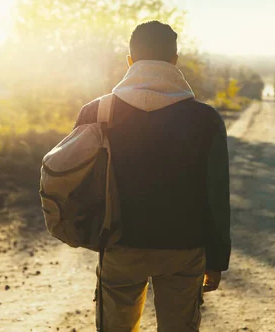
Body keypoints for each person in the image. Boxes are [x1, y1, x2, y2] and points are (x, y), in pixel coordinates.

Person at [73, 20, 231, 331]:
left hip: (119, 248)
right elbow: (216, 196)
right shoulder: (206, 120)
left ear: (130, 61)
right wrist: (216, 258)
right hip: (184, 252)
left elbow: (80, 182)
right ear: (174, 61)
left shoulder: (95, 113)